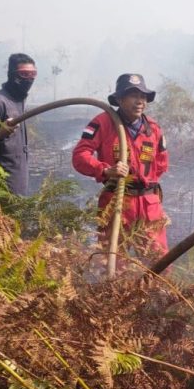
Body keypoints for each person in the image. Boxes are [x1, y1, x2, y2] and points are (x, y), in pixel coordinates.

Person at [72, 73, 169, 262]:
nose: (139, 101)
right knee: (112, 264)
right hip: (116, 203)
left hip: (149, 205)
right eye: (133, 95)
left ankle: (157, 293)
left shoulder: (153, 128)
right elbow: (80, 156)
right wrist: (106, 170)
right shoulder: (104, 122)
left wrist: (145, 184)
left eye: (142, 96)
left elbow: (162, 164)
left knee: (159, 263)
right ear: (119, 99)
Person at [0, 53, 37, 196]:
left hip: (20, 176)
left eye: (33, 74)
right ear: (12, 75)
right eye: (24, 74)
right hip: (3, 178)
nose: (29, 79)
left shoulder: (19, 101)